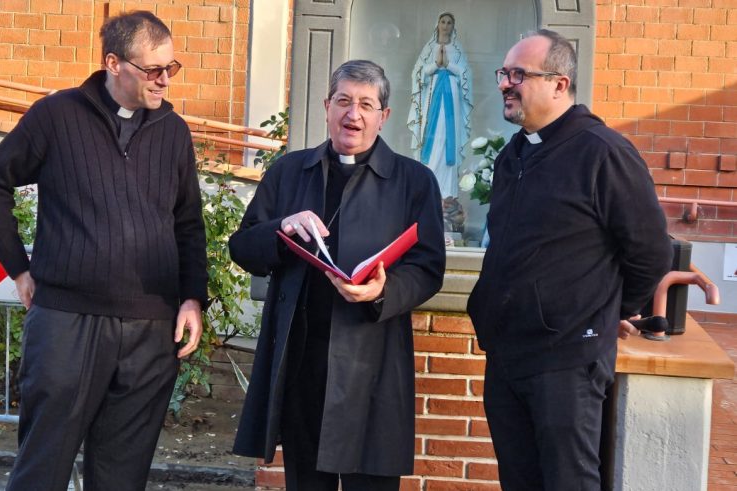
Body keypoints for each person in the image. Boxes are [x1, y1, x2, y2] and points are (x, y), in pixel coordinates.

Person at [0, 11, 208, 490]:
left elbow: (188, 223)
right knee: (41, 470)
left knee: (122, 479)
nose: (164, 80)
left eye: (172, 68)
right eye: (153, 70)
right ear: (113, 63)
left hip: (151, 331)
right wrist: (19, 270)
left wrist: (192, 298)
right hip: (67, 323)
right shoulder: (56, 115)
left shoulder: (174, 132)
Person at [466, 30, 672, 490]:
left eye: (519, 74)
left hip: (567, 360)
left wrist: (610, 312)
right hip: (507, 354)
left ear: (560, 84)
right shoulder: (513, 155)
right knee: (519, 480)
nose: (505, 83)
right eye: (504, 73)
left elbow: (650, 250)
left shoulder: (603, 153)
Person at [229, 59, 446, 491]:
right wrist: (281, 228)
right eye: (344, 101)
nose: (354, 114)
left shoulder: (414, 181)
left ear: (383, 116)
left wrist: (385, 291)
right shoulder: (289, 172)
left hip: (374, 365)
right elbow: (243, 248)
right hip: (303, 363)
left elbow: (428, 267)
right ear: (327, 106)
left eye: (367, 104)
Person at [407, 12, 473, 199]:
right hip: (431, 98)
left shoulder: (458, 50)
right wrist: (435, 64)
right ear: (437, 24)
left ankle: (447, 193)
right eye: (443, 22)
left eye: (449, 22)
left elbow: (466, 75)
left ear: (453, 26)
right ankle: (428, 186)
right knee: (431, 137)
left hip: (452, 100)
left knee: (447, 138)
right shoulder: (429, 49)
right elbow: (417, 75)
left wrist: (449, 65)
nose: (445, 25)